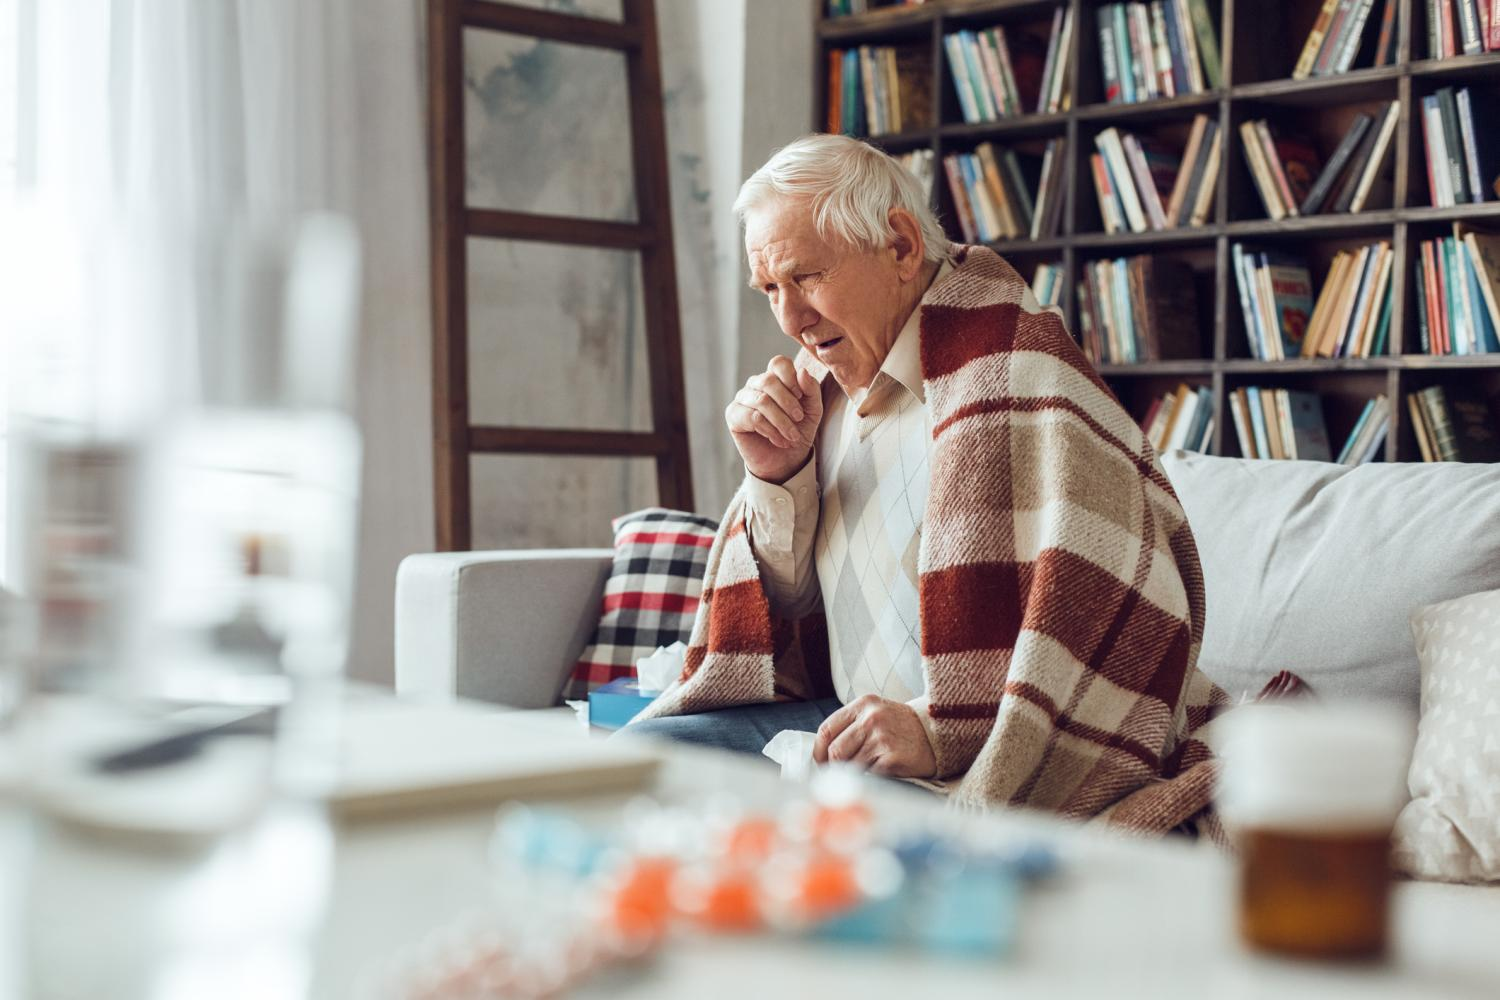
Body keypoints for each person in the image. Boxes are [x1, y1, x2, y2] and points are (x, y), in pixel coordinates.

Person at [626, 134, 1228, 831]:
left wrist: (941, 733)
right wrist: (776, 477)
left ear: (903, 247)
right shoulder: (817, 390)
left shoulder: (1025, 377)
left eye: (807, 277)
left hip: (986, 751)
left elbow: (1115, 624)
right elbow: (786, 620)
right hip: (846, 726)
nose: (789, 318)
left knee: (847, 841)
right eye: (770, 289)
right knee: (640, 762)